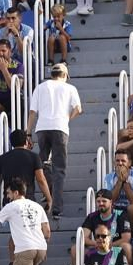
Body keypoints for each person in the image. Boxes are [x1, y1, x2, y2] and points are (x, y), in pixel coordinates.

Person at [27, 62, 82, 219]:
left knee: (43, 164)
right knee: (59, 169)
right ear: (64, 75)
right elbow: (78, 109)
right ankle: (57, 208)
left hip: (42, 128)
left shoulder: (40, 87)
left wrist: (28, 133)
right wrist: (67, 119)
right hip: (60, 128)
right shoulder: (70, 88)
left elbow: (32, 112)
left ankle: (48, 192)